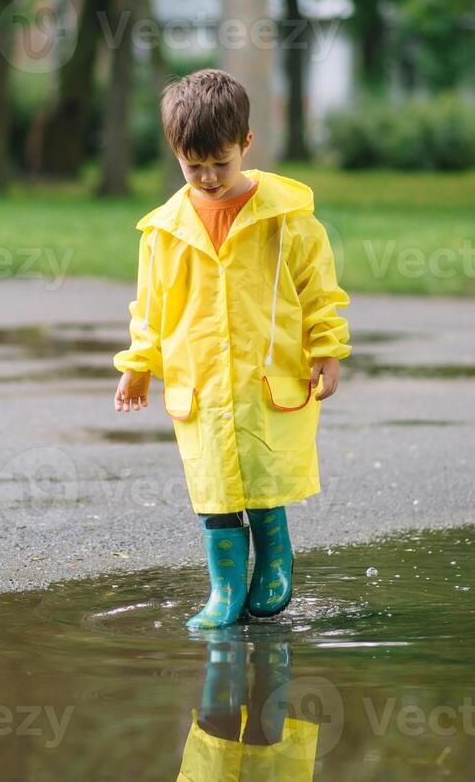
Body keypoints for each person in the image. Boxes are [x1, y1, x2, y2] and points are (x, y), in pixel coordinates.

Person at [112, 68, 351, 629]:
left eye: (221, 162)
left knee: (263, 476)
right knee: (213, 484)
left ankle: (273, 559)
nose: (210, 177)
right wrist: (138, 365)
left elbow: (319, 289)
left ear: (246, 143)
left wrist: (327, 349)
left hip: (266, 376)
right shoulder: (164, 231)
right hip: (200, 382)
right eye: (194, 166)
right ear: (175, 154)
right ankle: (223, 589)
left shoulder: (287, 219)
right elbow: (151, 305)